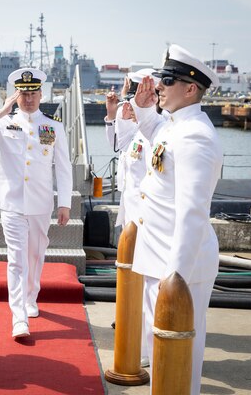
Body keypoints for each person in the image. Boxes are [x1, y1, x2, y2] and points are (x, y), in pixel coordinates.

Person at [130, 44, 223, 395]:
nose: (159, 87)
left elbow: (193, 212)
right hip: (161, 260)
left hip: (179, 266)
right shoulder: (176, 125)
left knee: (181, 352)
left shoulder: (196, 136)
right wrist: (141, 110)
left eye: (167, 80)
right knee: (162, 352)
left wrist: (176, 277)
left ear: (190, 89)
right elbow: (157, 138)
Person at [0, 67, 73, 339]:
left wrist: (65, 203)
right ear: (16, 95)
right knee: (16, 259)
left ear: (41, 94)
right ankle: (19, 318)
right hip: (11, 203)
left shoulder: (54, 126)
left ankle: (30, 297)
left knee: (35, 255)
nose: (28, 99)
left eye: (33, 93)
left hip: (40, 203)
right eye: (23, 93)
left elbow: (63, 167)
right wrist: (1, 111)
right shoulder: (3, 123)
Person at [104, 69, 161, 369]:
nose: (129, 103)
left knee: (145, 280)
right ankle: (134, 333)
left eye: (133, 96)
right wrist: (113, 115)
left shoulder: (157, 132)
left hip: (146, 218)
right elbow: (118, 143)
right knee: (132, 277)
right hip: (131, 216)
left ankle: (142, 343)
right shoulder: (139, 131)